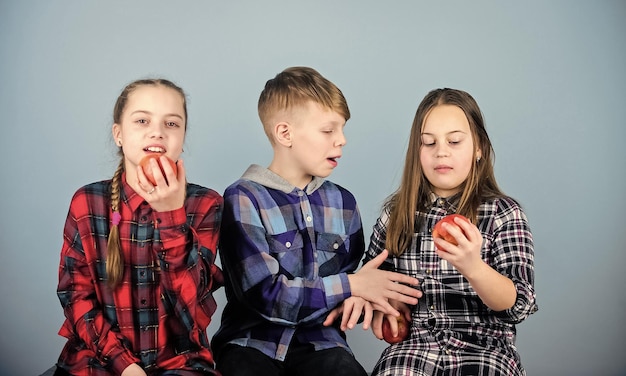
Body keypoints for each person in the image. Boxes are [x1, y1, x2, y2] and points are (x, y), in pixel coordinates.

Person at [211, 66, 422, 376]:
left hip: (323, 345)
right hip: (251, 343)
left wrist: (369, 297)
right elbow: (265, 296)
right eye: (328, 130)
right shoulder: (243, 198)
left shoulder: (344, 203)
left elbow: (352, 286)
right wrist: (353, 285)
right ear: (285, 133)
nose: (342, 140)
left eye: (342, 129)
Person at [54, 79, 224, 376]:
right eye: (142, 120)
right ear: (118, 134)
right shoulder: (88, 202)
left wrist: (172, 215)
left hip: (179, 363)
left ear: (183, 137)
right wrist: (125, 365)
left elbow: (191, 312)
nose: (157, 131)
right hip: (98, 359)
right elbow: (76, 297)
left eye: (171, 123)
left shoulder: (206, 204)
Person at [366, 88, 538, 376]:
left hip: (485, 351)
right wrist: (384, 302)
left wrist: (474, 267)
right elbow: (373, 278)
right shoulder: (397, 215)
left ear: (479, 147)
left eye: (454, 141)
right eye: (428, 142)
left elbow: (518, 305)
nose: (441, 151)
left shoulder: (503, 214)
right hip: (414, 350)